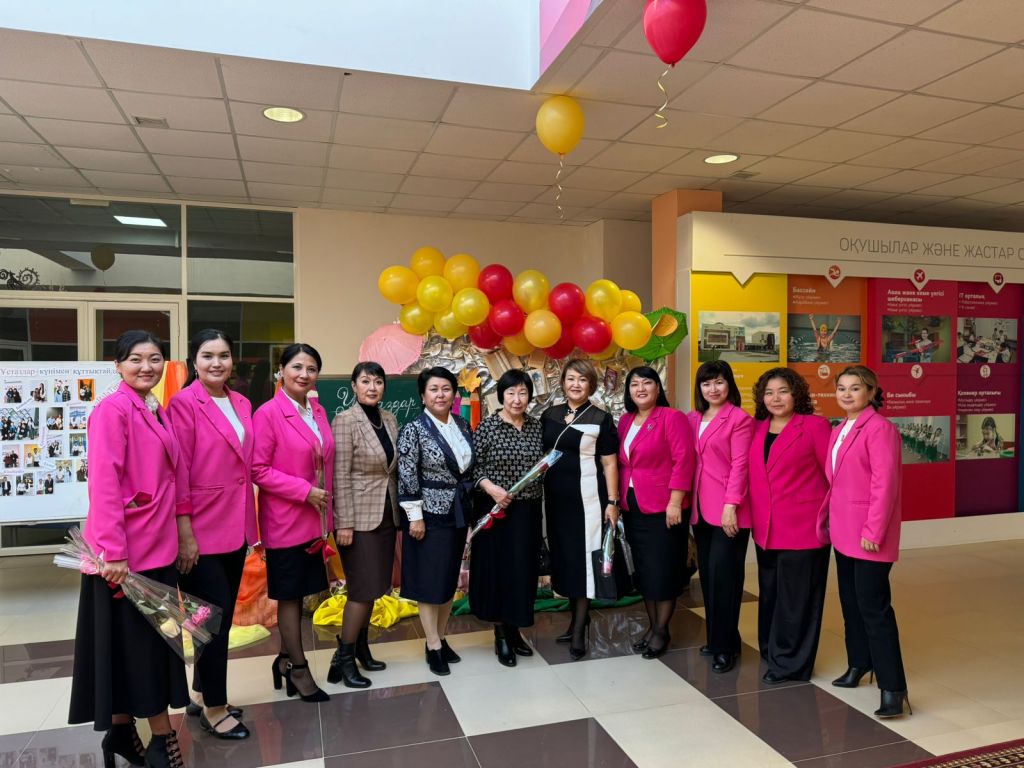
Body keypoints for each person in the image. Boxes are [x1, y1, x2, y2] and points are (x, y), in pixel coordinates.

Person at [68, 330, 188, 768]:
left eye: (155, 359)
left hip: (157, 545)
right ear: (117, 365)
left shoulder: (153, 407)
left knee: (130, 647)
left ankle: (120, 733)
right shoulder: (112, 409)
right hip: (126, 557)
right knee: (146, 648)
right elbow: (104, 483)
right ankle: (161, 739)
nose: (146, 367)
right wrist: (114, 552)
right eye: (136, 359)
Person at [167, 329, 256, 739]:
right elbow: (178, 470)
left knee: (217, 617)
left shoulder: (241, 402)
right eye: (208, 356)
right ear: (194, 362)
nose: (216, 363)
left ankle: (202, 694)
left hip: (235, 526)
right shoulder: (184, 404)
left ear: (232, 360)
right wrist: (184, 532)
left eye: (223, 355)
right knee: (210, 623)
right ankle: (215, 710)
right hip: (200, 530)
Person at [817, 365, 909, 719]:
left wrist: (873, 530)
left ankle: (893, 688)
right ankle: (859, 663)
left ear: (871, 392)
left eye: (855, 388)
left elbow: (885, 485)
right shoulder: (839, 429)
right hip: (843, 532)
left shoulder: (880, 429)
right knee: (850, 603)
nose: (846, 394)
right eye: (841, 388)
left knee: (874, 608)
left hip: (870, 534)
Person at [253, 343, 334, 703]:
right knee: (290, 597)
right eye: (297, 367)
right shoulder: (268, 413)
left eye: (311, 368)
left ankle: (284, 660)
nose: (304, 374)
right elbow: (258, 469)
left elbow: (324, 462)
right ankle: (298, 668)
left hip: (314, 520)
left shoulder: (317, 410)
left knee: (302, 592)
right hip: (285, 520)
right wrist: (304, 492)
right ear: (281, 371)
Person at [748, 368, 831, 685]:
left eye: (783, 391)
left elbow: (833, 476)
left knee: (797, 601)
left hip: (804, 528)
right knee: (771, 594)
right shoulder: (757, 428)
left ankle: (791, 664)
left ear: (796, 393)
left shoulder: (814, 426)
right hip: (766, 529)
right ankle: (772, 650)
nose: (775, 398)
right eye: (769, 392)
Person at [397, 367, 474, 677]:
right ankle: (432, 645)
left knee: (447, 579)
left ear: (454, 394)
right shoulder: (413, 429)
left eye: (446, 389)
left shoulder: (463, 425)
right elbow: (406, 474)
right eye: (434, 389)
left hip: (458, 512)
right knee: (429, 581)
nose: (440, 395)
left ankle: (441, 637)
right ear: (423, 395)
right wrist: (415, 517)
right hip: (428, 516)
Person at [327, 361, 400, 688]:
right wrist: (343, 523)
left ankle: (361, 648)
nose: (373, 387)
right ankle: (343, 659)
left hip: (386, 515)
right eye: (366, 381)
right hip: (356, 520)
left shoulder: (390, 419)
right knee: (361, 590)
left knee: (375, 587)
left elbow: (391, 470)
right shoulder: (345, 421)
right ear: (354, 386)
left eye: (378, 382)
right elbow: (339, 475)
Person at [542, 358, 619, 661]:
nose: (576, 384)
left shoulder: (600, 418)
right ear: (562, 382)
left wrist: (612, 502)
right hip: (556, 501)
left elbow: (610, 463)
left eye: (583, 379)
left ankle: (578, 630)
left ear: (591, 385)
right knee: (564, 558)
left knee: (584, 560)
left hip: (588, 501)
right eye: (571, 379)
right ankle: (577, 618)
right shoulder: (550, 414)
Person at [617, 366, 694, 660]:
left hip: (665, 507)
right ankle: (652, 627)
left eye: (646, 383)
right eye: (634, 384)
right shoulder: (626, 420)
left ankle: (662, 631)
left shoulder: (672, 418)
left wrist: (675, 501)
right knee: (645, 571)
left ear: (657, 388)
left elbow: (684, 460)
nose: (640, 388)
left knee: (664, 571)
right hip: (633, 506)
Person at [470, 369, 544, 668]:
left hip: (528, 510)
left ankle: (515, 629)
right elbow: (473, 468)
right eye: (511, 392)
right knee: (498, 570)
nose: (517, 399)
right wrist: (491, 488)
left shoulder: (536, 427)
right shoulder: (488, 427)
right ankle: (500, 633)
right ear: (501, 395)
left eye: (523, 393)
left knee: (522, 570)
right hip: (495, 510)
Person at [687, 360, 752, 674]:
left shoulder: (739, 419)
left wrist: (731, 504)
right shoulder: (692, 418)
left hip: (729, 510)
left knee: (726, 578)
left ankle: (725, 647)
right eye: (706, 383)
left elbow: (741, 465)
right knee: (709, 578)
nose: (712, 389)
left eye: (719, 382)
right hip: (700, 509)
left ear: (729, 385)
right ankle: (719, 639)